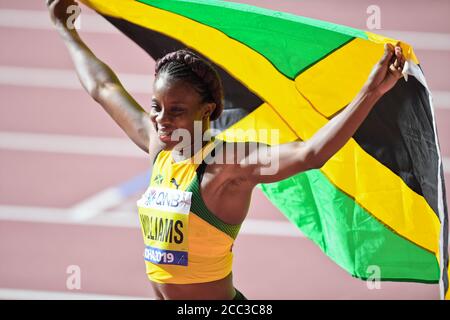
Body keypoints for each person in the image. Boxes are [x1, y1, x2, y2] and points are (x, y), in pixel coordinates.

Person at [47, 0, 406, 300]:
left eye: (176, 111)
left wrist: (370, 92)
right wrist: (67, 31)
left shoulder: (229, 166)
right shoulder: (161, 148)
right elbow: (104, 87)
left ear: (206, 112)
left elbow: (311, 153)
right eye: (155, 106)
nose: (160, 119)